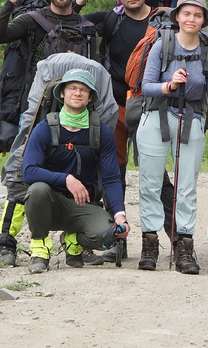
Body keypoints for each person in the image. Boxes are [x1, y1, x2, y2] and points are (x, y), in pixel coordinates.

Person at [0, 0, 108, 266]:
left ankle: (75, 246)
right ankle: (7, 241)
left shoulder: (84, 25)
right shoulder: (33, 21)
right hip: (38, 109)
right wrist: (11, 3)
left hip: (77, 109)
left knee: (80, 168)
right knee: (21, 171)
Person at [82, 0, 177, 262]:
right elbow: (68, 18)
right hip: (117, 105)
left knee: (156, 173)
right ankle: (117, 240)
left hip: (152, 104)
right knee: (114, 172)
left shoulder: (163, 20)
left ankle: (178, 239)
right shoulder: (111, 19)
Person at [136, 0, 208, 274]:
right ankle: (149, 245)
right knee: (149, 183)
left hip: (192, 118)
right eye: (186, 14)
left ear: (203, 20)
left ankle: (184, 248)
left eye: (197, 15)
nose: (191, 19)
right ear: (178, 17)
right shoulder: (162, 45)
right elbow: (146, 86)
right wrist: (168, 85)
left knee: (187, 186)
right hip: (156, 116)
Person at [21, 68, 129, 273]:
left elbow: (112, 178)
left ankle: (72, 240)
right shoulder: (44, 128)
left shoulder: (101, 132)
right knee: (37, 190)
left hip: (83, 205)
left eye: (83, 90)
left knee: (108, 235)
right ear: (62, 93)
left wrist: (119, 215)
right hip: (49, 203)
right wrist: (66, 179)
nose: (77, 93)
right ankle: (40, 250)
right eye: (72, 88)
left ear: (90, 98)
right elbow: (29, 172)